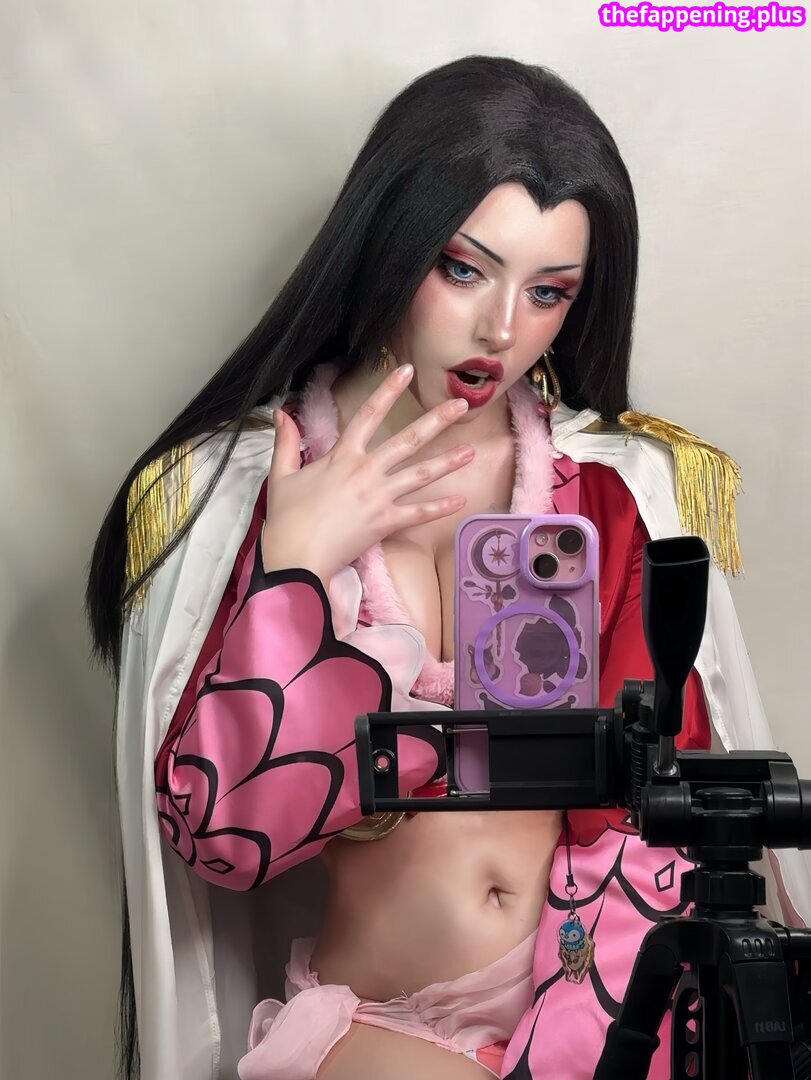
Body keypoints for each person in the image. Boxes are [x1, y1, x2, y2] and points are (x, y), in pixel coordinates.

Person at [86, 55, 810, 1080]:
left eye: (548, 292)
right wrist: (296, 570)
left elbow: (671, 812)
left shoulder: (617, 488)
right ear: (389, 242)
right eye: (464, 269)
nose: (500, 330)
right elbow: (225, 837)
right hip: (389, 1017)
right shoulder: (236, 488)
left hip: (602, 998)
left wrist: (610, 1026)